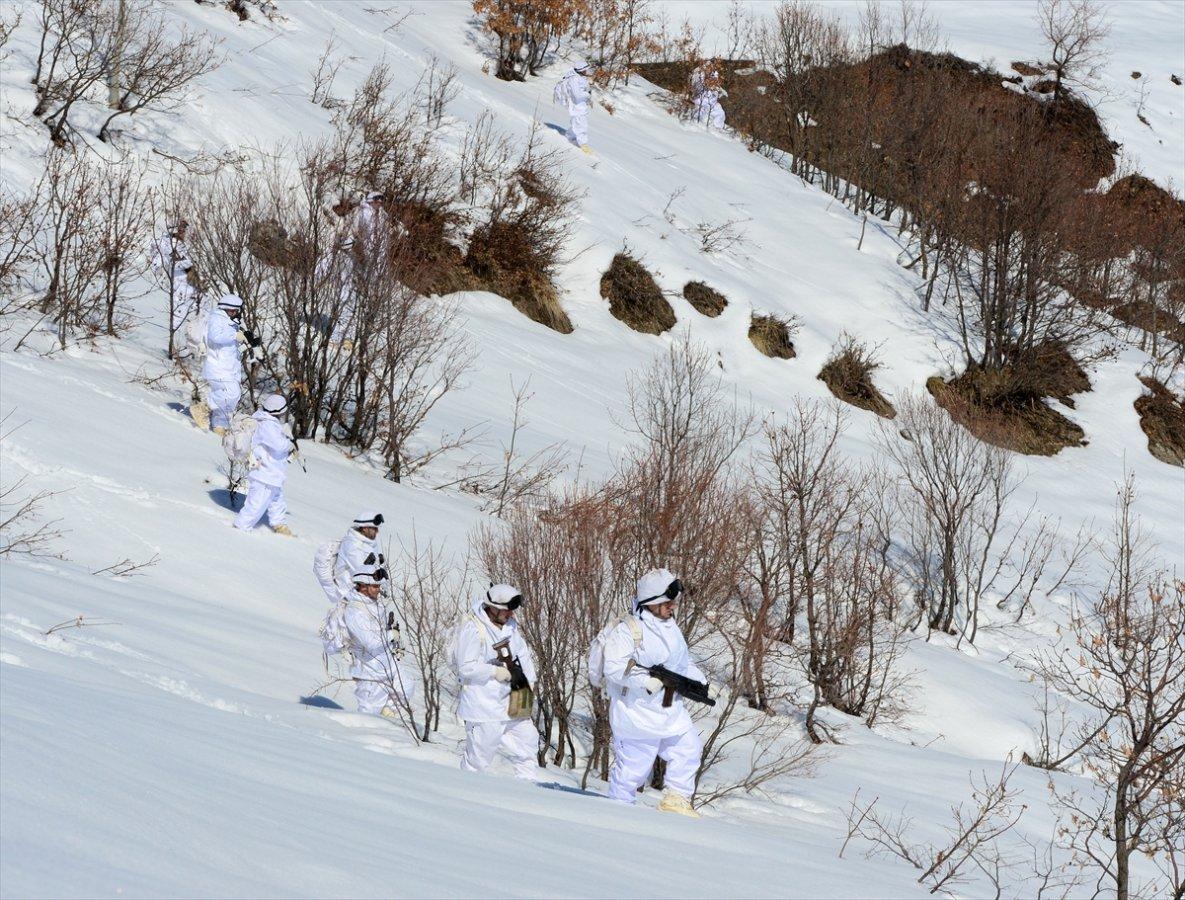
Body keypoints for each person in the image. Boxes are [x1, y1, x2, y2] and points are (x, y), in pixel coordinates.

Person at [601, 568, 716, 817]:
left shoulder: (671, 628)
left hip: (669, 710)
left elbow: (681, 663)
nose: (672, 606)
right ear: (652, 602)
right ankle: (617, 812)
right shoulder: (628, 630)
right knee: (634, 770)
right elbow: (612, 668)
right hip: (637, 713)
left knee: (689, 748)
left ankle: (676, 799)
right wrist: (643, 681)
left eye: (673, 601)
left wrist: (701, 681)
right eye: (667, 602)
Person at [453, 584, 539, 780]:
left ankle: (526, 791)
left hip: (513, 701)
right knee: (479, 758)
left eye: (512, 610)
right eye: (507, 609)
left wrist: (530, 681)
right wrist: (494, 671)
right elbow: (466, 667)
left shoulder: (511, 627)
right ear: (494, 607)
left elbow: (523, 655)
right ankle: (466, 795)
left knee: (527, 743)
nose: (510, 614)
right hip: (484, 706)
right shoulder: (474, 628)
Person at [342, 564, 414, 717]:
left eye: (379, 586)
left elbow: (382, 634)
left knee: (406, 685)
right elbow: (370, 642)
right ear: (362, 585)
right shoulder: (354, 611)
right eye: (374, 586)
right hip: (369, 671)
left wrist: (394, 643)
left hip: (387, 663)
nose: (378, 589)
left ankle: (388, 714)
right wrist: (390, 634)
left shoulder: (375, 605)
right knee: (369, 715)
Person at [233, 393, 295, 536]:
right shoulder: (267, 425)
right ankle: (240, 528)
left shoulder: (266, 422)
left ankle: (279, 524)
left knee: (276, 499)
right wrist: (290, 444)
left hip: (272, 473)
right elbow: (279, 445)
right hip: (265, 474)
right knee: (255, 505)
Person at [194, 293, 255, 434]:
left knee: (233, 397)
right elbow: (215, 337)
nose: (235, 313)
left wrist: (249, 344)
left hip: (228, 367)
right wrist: (235, 335)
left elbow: (232, 350)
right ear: (227, 308)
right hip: (217, 366)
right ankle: (203, 407)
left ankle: (219, 425)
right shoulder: (216, 318)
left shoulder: (230, 323)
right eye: (233, 310)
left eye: (236, 311)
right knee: (231, 394)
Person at [334, 511, 385, 599]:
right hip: (348, 594)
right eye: (374, 529)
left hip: (365, 593)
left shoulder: (371, 544)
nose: (377, 531)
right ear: (364, 528)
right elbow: (361, 573)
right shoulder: (351, 545)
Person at [554, 59, 592, 152]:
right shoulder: (574, 79)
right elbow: (577, 94)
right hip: (576, 104)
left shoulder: (579, 77)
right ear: (581, 69)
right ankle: (583, 144)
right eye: (585, 69)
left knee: (578, 122)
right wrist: (587, 94)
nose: (586, 71)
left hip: (580, 104)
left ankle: (570, 136)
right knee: (581, 123)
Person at [691, 61, 726, 130]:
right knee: (699, 111)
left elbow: (716, 87)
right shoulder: (698, 74)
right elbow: (696, 87)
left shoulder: (713, 74)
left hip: (711, 102)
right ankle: (695, 124)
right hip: (701, 100)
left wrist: (718, 92)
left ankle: (718, 128)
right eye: (709, 67)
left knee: (720, 113)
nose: (710, 69)